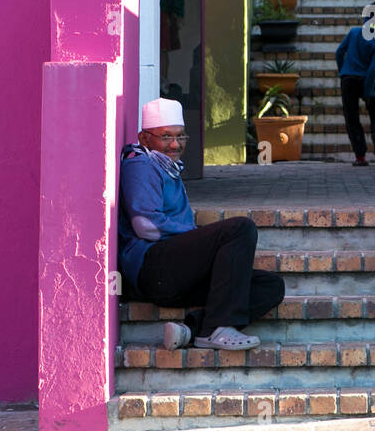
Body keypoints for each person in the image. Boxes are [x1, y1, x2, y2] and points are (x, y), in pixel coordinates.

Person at [118, 98, 285, 350]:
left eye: (180, 136)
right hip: (152, 269)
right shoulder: (142, 164)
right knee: (240, 229)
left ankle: (194, 329)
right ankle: (219, 327)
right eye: (165, 137)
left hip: (175, 274)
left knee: (271, 286)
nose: (174, 144)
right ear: (144, 138)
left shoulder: (168, 167)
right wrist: (197, 235)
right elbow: (145, 226)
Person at [336, 8, 375, 166]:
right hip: (366, 80)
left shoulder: (353, 32)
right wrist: (368, 91)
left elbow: (339, 52)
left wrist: (343, 72)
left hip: (348, 80)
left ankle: (360, 157)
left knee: (351, 119)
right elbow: (372, 70)